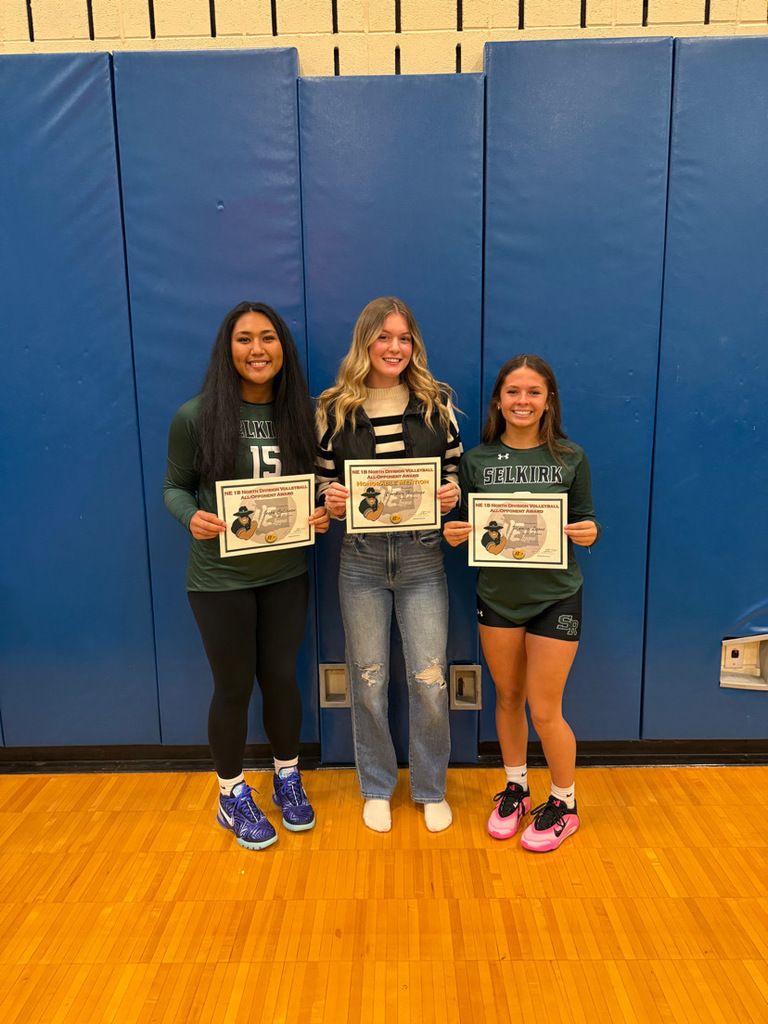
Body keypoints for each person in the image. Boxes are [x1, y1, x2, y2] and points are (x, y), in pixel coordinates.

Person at [164, 301, 329, 851]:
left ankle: (286, 776)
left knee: (282, 677)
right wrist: (193, 517)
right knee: (233, 686)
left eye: (267, 337)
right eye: (243, 339)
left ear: (283, 347)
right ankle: (230, 793)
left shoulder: (302, 415)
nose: (257, 349)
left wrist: (323, 510)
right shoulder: (196, 415)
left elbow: (318, 486)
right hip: (218, 579)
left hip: (285, 571)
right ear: (227, 348)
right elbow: (174, 487)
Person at [316, 297, 462, 834]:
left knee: (429, 680)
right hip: (361, 560)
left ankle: (430, 787)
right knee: (369, 678)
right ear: (365, 343)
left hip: (423, 555)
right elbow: (319, 477)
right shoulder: (335, 407)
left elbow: (455, 470)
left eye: (403, 338)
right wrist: (329, 497)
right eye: (383, 337)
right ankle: (377, 785)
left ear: (413, 345)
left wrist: (450, 493)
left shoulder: (434, 401)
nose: (394, 347)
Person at [444, 355, 600, 852]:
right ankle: (516, 787)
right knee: (508, 697)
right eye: (513, 392)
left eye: (534, 392)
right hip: (498, 597)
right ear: (498, 400)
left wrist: (589, 532)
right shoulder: (476, 460)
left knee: (545, 709)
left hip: (555, 596)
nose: (523, 401)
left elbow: (586, 521)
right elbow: (462, 528)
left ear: (548, 400)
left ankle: (564, 802)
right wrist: (453, 532)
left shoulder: (570, 457)